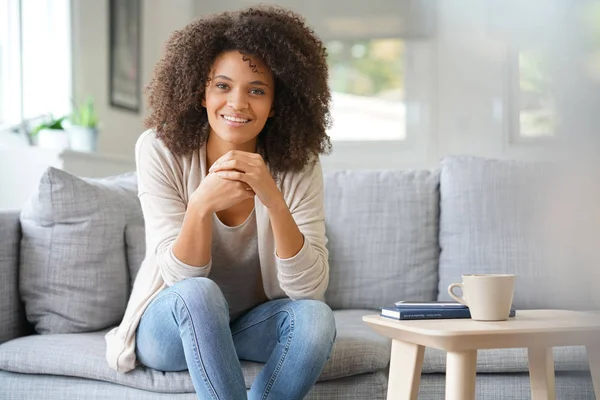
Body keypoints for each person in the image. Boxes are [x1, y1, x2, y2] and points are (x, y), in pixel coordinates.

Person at [105, 5, 336, 400]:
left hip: (248, 326)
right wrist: (199, 206)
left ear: (276, 103)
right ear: (201, 92)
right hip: (172, 326)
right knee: (200, 292)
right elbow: (179, 280)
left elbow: (308, 289)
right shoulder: (160, 151)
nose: (238, 104)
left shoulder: (298, 165)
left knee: (316, 319)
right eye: (223, 86)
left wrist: (274, 200)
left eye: (257, 90)